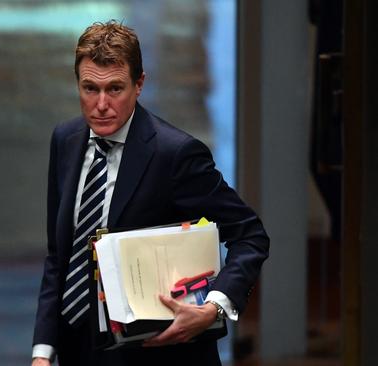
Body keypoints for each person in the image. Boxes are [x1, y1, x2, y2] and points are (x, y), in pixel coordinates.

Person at [32, 20, 269, 366]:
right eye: (89, 89)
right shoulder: (65, 140)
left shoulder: (175, 154)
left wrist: (213, 308)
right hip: (78, 348)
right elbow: (60, 256)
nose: (100, 104)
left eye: (115, 89)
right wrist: (42, 351)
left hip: (157, 353)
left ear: (139, 84)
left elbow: (250, 235)